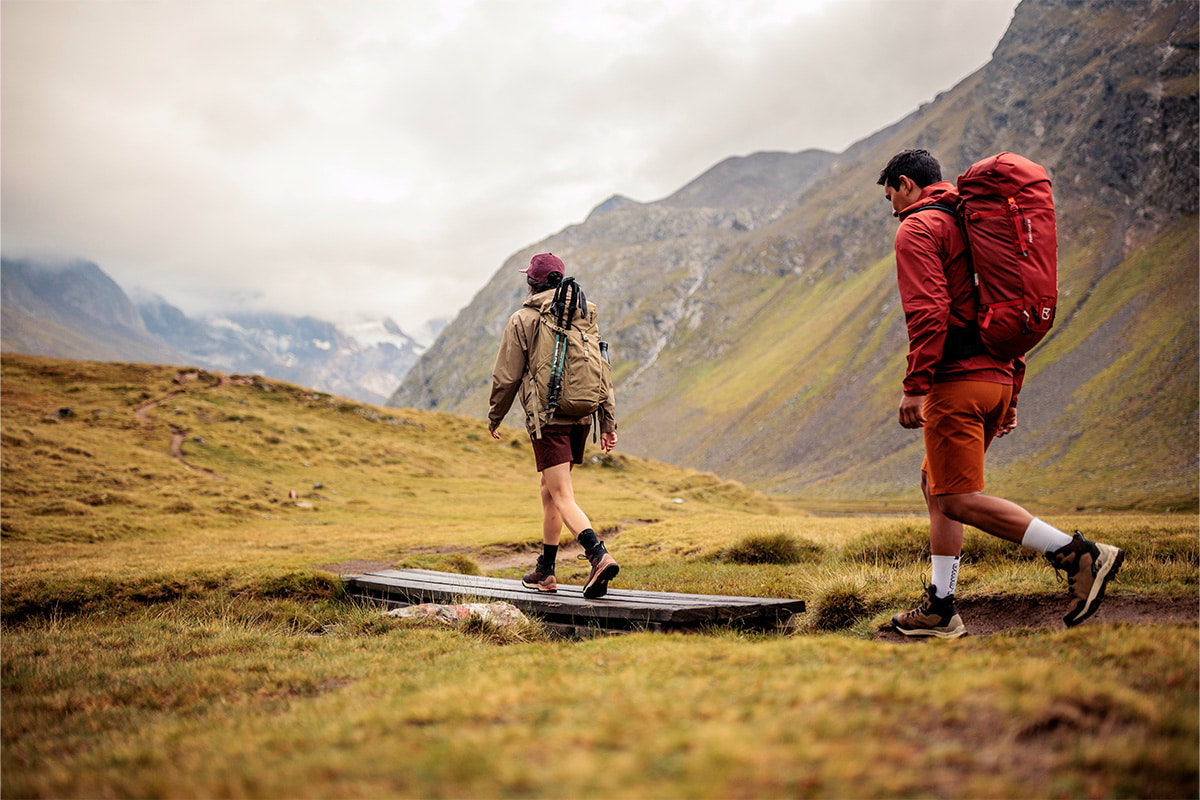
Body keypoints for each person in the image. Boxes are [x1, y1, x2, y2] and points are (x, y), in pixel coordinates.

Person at [877, 149, 1124, 638]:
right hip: (996, 378)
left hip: (957, 383)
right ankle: (941, 607)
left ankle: (1079, 554)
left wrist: (915, 387)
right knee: (936, 486)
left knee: (957, 499)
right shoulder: (973, 220)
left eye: (890, 197)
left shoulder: (919, 228)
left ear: (906, 184)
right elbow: (1006, 302)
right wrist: (1011, 393)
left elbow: (929, 312)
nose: (892, 210)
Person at [487, 252, 620, 599]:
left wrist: (495, 416)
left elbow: (507, 375)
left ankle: (598, 555)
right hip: (581, 417)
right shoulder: (583, 315)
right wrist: (607, 421)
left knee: (561, 495)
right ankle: (546, 571)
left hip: (549, 419)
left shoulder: (524, 319)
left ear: (531, 282)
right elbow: (602, 369)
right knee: (550, 490)